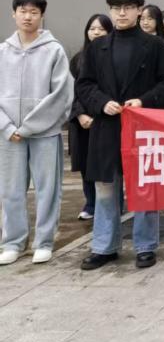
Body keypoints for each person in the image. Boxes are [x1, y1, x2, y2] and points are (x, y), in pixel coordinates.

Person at [76, 0, 164, 270]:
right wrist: (101, 102)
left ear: (139, 10)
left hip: (142, 126)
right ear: (110, 10)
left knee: (144, 187)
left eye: (128, 7)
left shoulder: (155, 46)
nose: (122, 13)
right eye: (116, 8)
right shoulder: (97, 47)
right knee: (106, 188)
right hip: (107, 127)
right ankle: (104, 247)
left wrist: (143, 100)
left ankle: (145, 246)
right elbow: (84, 84)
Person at [0, 0, 73, 266]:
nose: (27, 16)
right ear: (14, 14)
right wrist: (7, 127)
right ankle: (13, 242)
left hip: (44, 133)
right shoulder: (2, 51)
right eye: (23, 11)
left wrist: (29, 127)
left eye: (33, 12)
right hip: (8, 135)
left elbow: (61, 95)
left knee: (47, 189)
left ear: (42, 15)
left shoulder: (54, 50)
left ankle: (44, 241)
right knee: (10, 190)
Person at [68, 14, 113, 221]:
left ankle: (112, 204)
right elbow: (72, 91)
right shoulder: (78, 59)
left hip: (105, 118)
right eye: (92, 28)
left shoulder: (113, 58)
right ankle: (91, 203)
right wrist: (80, 114)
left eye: (101, 29)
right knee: (85, 163)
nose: (96, 32)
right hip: (82, 121)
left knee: (106, 164)